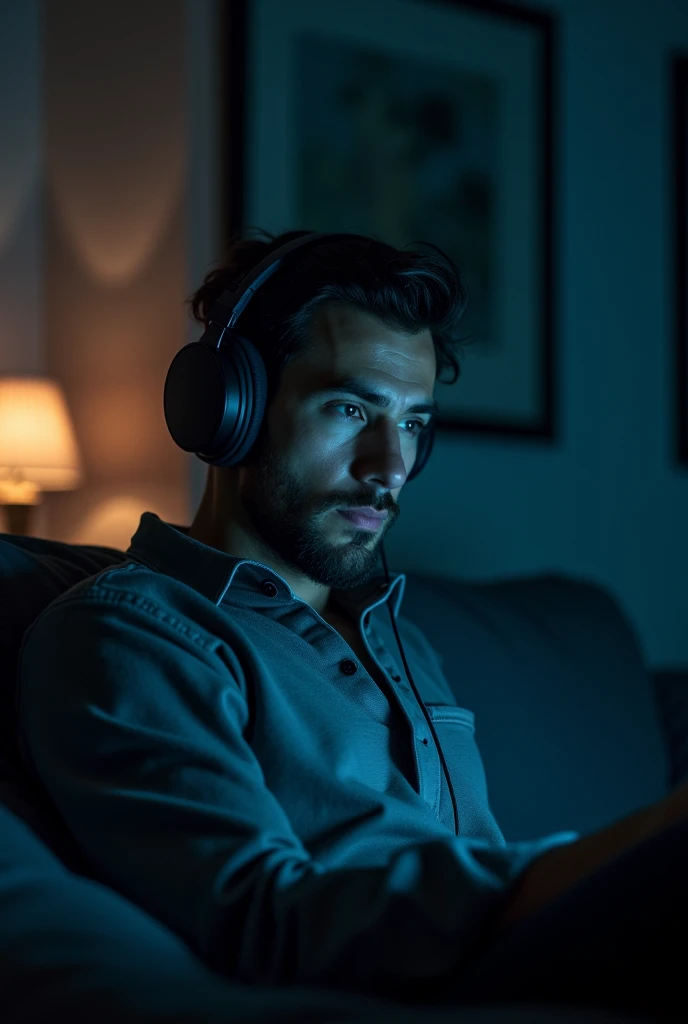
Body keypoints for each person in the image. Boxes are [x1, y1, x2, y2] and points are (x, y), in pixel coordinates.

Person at [16, 230, 688, 1017]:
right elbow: (257, 923)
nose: (391, 467)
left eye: (412, 424)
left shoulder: (401, 635)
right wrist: (594, 866)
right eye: (351, 408)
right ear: (230, 408)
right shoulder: (129, 636)